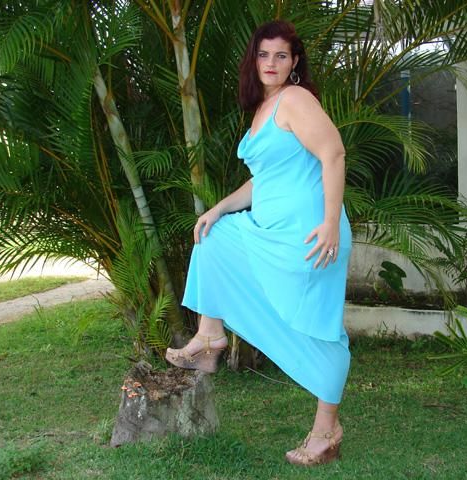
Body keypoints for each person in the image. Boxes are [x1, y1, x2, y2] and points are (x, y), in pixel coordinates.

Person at [165, 20, 352, 466]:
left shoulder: (295, 99)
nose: (271, 63)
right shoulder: (265, 107)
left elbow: (334, 153)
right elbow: (264, 180)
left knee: (318, 327)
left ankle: (326, 431)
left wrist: (330, 222)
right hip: (272, 230)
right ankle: (210, 336)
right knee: (213, 235)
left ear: (294, 62)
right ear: (254, 60)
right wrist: (219, 208)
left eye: (281, 55)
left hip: (308, 235)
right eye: (264, 55)